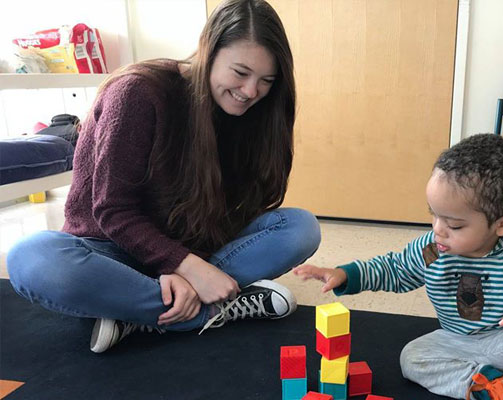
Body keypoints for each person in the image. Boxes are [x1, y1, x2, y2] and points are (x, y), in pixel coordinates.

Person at [7, 0, 320, 354]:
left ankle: (138, 312)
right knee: (31, 257)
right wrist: (181, 266)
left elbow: (233, 211)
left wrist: (186, 264)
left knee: (300, 227)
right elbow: (113, 211)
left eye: (266, 81)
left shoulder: (253, 112)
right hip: (112, 247)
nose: (250, 91)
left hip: (188, 244)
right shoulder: (139, 92)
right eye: (240, 72)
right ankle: (210, 309)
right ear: (207, 52)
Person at [294, 134, 503, 400]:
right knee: (413, 358)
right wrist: (345, 274)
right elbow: (396, 269)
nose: (438, 229)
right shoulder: (432, 248)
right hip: (459, 341)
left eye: (453, 224)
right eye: (434, 215)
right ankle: (493, 386)